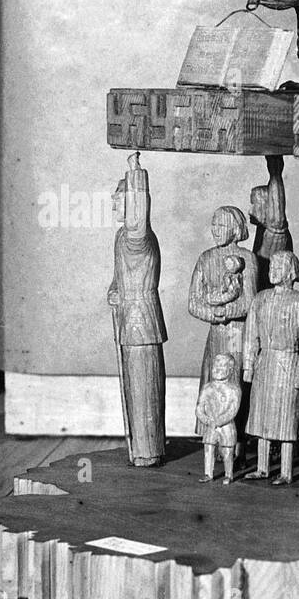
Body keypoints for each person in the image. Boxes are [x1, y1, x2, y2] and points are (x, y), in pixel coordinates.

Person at [107, 152, 166, 467]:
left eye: (119, 200)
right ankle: (142, 449)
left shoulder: (137, 238)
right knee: (135, 388)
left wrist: (136, 172)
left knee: (144, 389)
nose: (114, 206)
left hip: (142, 322)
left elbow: (137, 219)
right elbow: (119, 278)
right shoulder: (121, 239)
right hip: (128, 321)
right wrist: (114, 291)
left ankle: (148, 450)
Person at [243, 251, 299, 486]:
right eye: (272, 265)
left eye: (279, 266)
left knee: (286, 420)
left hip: (288, 364)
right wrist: (248, 365)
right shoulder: (260, 299)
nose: (273, 270)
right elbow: (251, 335)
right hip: (265, 362)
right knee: (262, 417)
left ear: (291, 272)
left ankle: (286, 471)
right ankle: (262, 467)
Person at [187, 205, 257, 436]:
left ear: (236, 229)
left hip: (238, 334)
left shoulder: (247, 258)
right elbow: (194, 302)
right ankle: (213, 439)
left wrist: (225, 312)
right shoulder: (206, 258)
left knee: (235, 383)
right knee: (214, 383)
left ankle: (237, 443)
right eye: (213, 224)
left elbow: (250, 303)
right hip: (216, 333)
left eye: (222, 225)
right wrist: (214, 314)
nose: (215, 230)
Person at [196, 353, 241, 484]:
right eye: (216, 365)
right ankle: (208, 473)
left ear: (230, 370)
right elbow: (199, 407)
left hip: (226, 426)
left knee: (227, 451)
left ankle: (228, 474)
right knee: (208, 448)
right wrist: (205, 419)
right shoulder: (207, 387)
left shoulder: (234, 389)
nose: (218, 369)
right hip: (210, 425)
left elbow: (233, 410)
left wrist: (219, 421)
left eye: (222, 366)